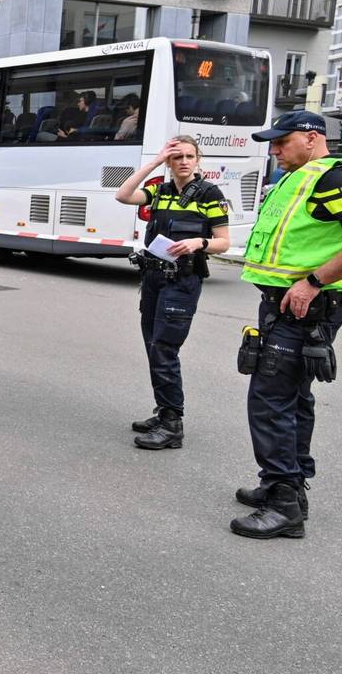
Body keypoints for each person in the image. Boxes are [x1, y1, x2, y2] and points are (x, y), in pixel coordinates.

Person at [231, 110, 342, 539]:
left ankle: (284, 505)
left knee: (270, 400)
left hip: (305, 308)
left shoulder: (330, 177)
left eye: (282, 142)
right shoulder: (298, 176)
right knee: (294, 399)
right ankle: (284, 484)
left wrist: (314, 281)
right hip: (285, 305)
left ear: (311, 137)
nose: (274, 150)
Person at [114, 135, 231, 450]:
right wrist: (153, 161)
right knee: (153, 346)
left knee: (165, 349)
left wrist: (199, 243)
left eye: (189, 156)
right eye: (176, 157)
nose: (183, 161)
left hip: (182, 281)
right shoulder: (160, 191)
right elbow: (123, 195)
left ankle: (172, 425)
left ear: (197, 160)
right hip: (154, 278)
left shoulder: (209, 194)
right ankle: (163, 411)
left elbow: (224, 241)